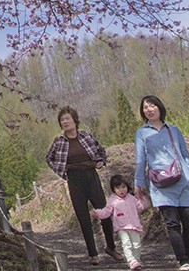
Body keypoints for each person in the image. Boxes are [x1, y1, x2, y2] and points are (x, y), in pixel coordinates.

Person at [133, 94, 189, 270]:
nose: (149, 110)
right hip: (160, 184)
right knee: (172, 223)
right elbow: (140, 160)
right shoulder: (141, 133)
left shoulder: (174, 130)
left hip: (182, 181)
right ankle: (183, 261)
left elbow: (184, 153)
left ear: (160, 107)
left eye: (152, 106)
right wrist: (139, 183)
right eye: (145, 108)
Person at [47, 106, 115, 265]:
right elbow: (49, 159)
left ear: (75, 121)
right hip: (74, 179)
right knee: (83, 217)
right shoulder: (59, 141)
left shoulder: (86, 135)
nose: (65, 122)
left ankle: (111, 247)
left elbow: (101, 150)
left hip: (91, 176)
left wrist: (101, 162)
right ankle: (93, 254)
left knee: (104, 211)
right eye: (62, 120)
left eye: (67, 119)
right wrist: (61, 170)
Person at [91, 174, 146, 269]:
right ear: (113, 189)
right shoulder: (112, 200)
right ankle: (131, 260)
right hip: (121, 227)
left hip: (133, 225)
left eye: (123, 187)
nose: (121, 190)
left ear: (127, 187)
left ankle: (136, 261)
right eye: (118, 188)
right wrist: (97, 212)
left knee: (136, 245)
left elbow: (140, 207)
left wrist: (142, 199)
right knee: (126, 243)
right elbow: (106, 212)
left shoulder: (131, 198)